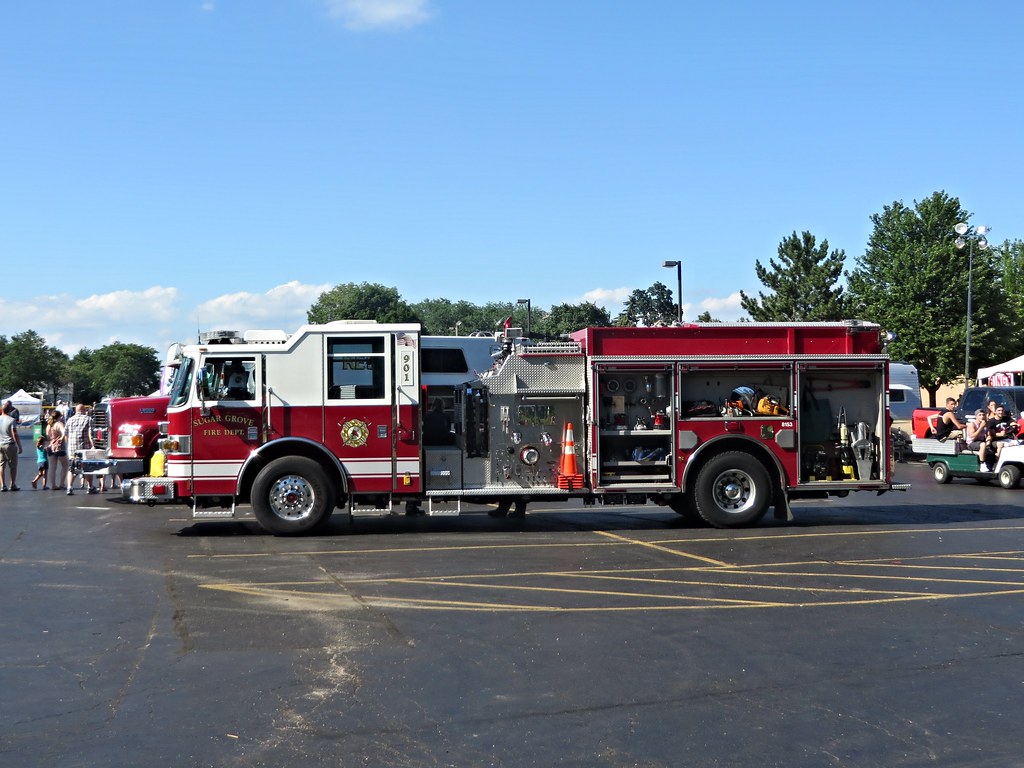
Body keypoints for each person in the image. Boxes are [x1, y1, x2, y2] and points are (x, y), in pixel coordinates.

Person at [65, 403, 97, 495]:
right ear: (83, 410)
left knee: (71, 468)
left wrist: (69, 444)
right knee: (87, 467)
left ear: (76, 411)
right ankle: (90, 487)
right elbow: (90, 434)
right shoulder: (88, 419)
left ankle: (69, 487)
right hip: (84, 448)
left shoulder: (69, 420)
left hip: (72, 448)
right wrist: (93, 445)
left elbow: (66, 434)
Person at [0, 400, 23, 491]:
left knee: (2, 465)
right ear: (10, 409)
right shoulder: (11, 420)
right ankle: (12, 484)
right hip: (9, 444)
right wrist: (19, 446)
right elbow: (14, 433)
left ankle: (3, 485)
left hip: (0, 444)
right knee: (13, 466)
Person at [46, 410, 68, 490]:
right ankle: (62, 483)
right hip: (59, 447)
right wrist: (61, 438)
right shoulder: (59, 424)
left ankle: (53, 484)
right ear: (59, 416)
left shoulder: (49, 426)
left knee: (53, 467)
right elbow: (64, 432)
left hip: (51, 446)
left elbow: (48, 437)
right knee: (65, 465)